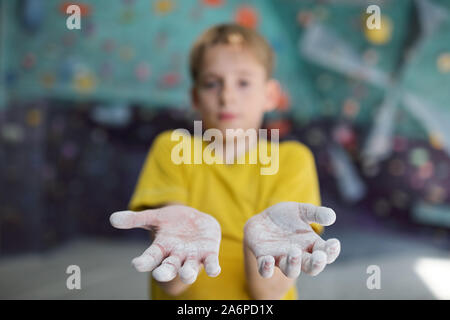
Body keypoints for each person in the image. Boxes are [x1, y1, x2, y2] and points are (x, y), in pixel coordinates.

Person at [109, 23, 341, 300]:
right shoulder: (172, 147)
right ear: (195, 97)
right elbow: (171, 283)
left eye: (243, 83)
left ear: (270, 96)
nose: (227, 97)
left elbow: (267, 294)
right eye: (211, 83)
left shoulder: (293, 160)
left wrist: (255, 244)